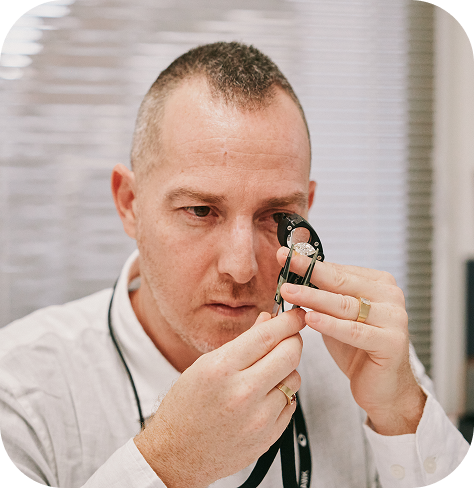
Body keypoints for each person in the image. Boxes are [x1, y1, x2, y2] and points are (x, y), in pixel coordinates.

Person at [0, 41, 472, 488]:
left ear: (306, 209)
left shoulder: (360, 356)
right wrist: (168, 463)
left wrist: (403, 415)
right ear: (129, 203)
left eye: (276, 216)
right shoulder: (19, 392)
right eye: (201, 211)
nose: (241, 267)